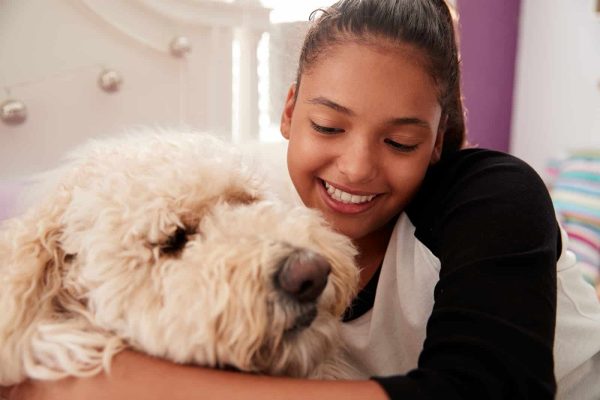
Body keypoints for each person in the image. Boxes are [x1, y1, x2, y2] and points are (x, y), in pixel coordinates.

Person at [4, 0, 600, 399]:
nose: (357, 167)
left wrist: (102, 383)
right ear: (288, 112)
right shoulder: (248, 183)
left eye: (400, 140)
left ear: (438, 140)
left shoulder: (496, 195)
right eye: (329, 127)